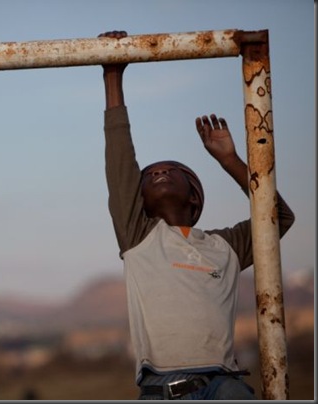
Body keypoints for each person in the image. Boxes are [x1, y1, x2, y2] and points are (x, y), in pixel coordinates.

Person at [98, 30, 295, 400]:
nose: (159, 172)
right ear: (139, 202)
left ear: (194, 198)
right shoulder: (139, 237)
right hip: (160, 389)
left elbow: (279, 217)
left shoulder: (226, 246)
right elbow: (120, 161)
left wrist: (230, 161)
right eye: (151, 174)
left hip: (224, 387)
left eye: (172, 170)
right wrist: (112, 74)